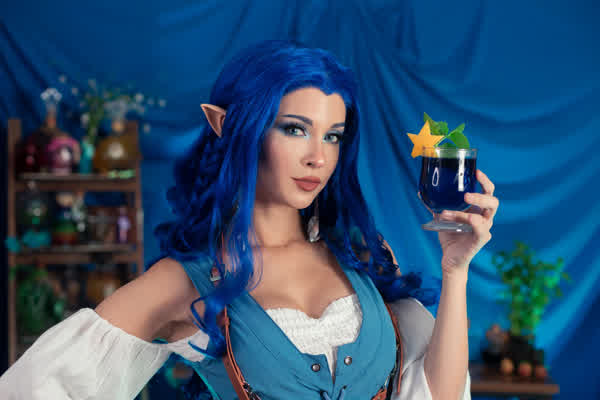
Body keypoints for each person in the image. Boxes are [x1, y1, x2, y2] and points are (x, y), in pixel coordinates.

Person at [0, 39, 498, 400]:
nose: (318, 157)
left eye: (332, 136)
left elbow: (437, 393)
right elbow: (37, 388)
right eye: (294, 129)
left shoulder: (361, 255)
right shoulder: (186, 280)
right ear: (228, 125)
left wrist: (456, 270)